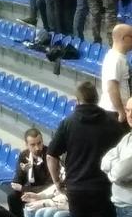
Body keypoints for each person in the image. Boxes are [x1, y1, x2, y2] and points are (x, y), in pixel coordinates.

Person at [47, 81, 123, 217]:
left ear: (76, 100)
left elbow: (51, 156)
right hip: (104, 189)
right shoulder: (112, 121)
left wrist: (57, 182)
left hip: (77, 190)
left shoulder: (68, 123)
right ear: (97, 99)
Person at [8, 128, 52, 217]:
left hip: (45, 192)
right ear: (27, 145)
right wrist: (23, 171)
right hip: (30, 189)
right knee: (12, 196)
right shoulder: (24, 155)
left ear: (42, 141)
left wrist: (24, 189)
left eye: (39, 143)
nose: (37, 148)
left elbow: (49, 186)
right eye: (33, 145)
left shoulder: (50, 155)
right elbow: (16, 183)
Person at [102, 96, 132, 217]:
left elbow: (118, 174)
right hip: (122, 207)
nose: (130, 115)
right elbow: (104, 161)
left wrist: (112, 171)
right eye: (128, 110)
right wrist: (116, 165)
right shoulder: (127, 138)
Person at [99, 23, 132, 126]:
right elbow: (112, 87)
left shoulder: (116, 57)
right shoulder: (115, 59)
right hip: (114, 112)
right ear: (125, 38)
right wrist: (121, 112)